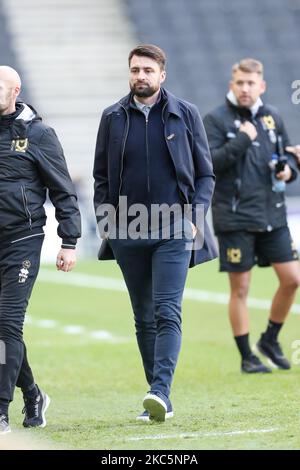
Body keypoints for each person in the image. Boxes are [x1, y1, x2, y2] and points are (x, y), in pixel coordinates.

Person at [93, 44, 217, 422]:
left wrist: (194, 217)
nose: (140, 76)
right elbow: (100, 176)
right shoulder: (112, 117)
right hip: (127, 229)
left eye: (147, 70)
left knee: (166, 311)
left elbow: (205, 173)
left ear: (162, 75)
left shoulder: (185, 114)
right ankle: (159, 395)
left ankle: (159, 390)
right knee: (143, 317)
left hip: (174, 227)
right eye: (135, 70)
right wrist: (107, 222)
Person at [204, 58, 300, 374]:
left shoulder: (272, 116)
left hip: (272, 214)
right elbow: (211, 164)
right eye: (240, 83)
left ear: (262, 86)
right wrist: (244, 139)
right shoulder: (215, 120)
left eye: (251, 83)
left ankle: (270, 339)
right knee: (240, 289)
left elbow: (286, 158)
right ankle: (247, 356)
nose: (245, 89)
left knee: (292, 279)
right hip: (234, 217)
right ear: (232, 84)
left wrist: (289, 170)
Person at [0, 66, 81, 434]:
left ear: (14, 90)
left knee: (7, 324)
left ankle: (0, 412)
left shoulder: (38, 134)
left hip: (23, 238)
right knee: (3, 329)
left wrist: (69, 241)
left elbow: (62, 189)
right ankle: (32, 392)